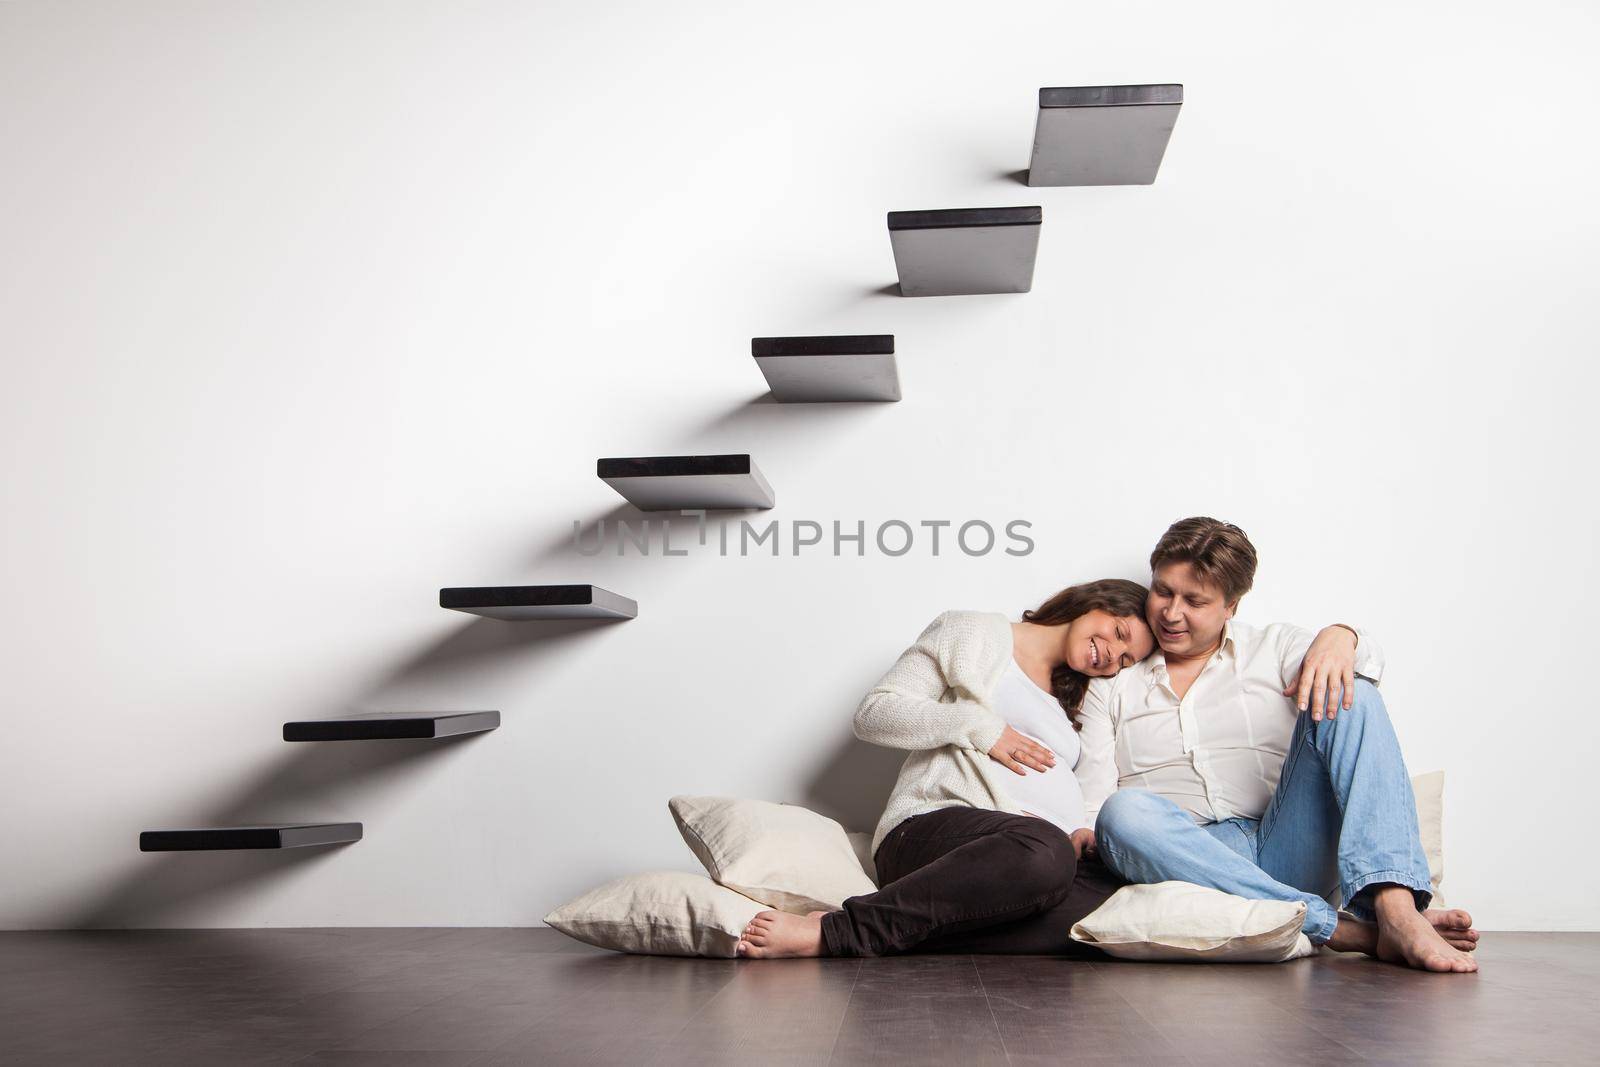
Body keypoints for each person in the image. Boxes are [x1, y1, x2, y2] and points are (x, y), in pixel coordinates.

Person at [1084, 517, 1480, 973]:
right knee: (1121, 813)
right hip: (1193, 856)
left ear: (1231, 605)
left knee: (1351, 689)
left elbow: (1361, 666)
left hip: (1288, 841)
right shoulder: (1115, 683)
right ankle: (1349, 931)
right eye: (1163, 591)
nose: (1172, 613)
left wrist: (1342, 635)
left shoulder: (1272, 648)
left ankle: (1396, 910)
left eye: (1195, 601)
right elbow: (1092, 793)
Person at [736, 579, 1155, 959]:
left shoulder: (1072, 694)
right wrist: (982, 729)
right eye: (1119, 634)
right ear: (1095, 602)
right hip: (935, 831)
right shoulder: (973, 633)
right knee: (1043, 852)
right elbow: (875, 713)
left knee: (1107, 900)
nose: (1113, 656)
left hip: (1029, 862)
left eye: (1125, 659)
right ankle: (839, 933)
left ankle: (888, 926)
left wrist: (1076, 828)